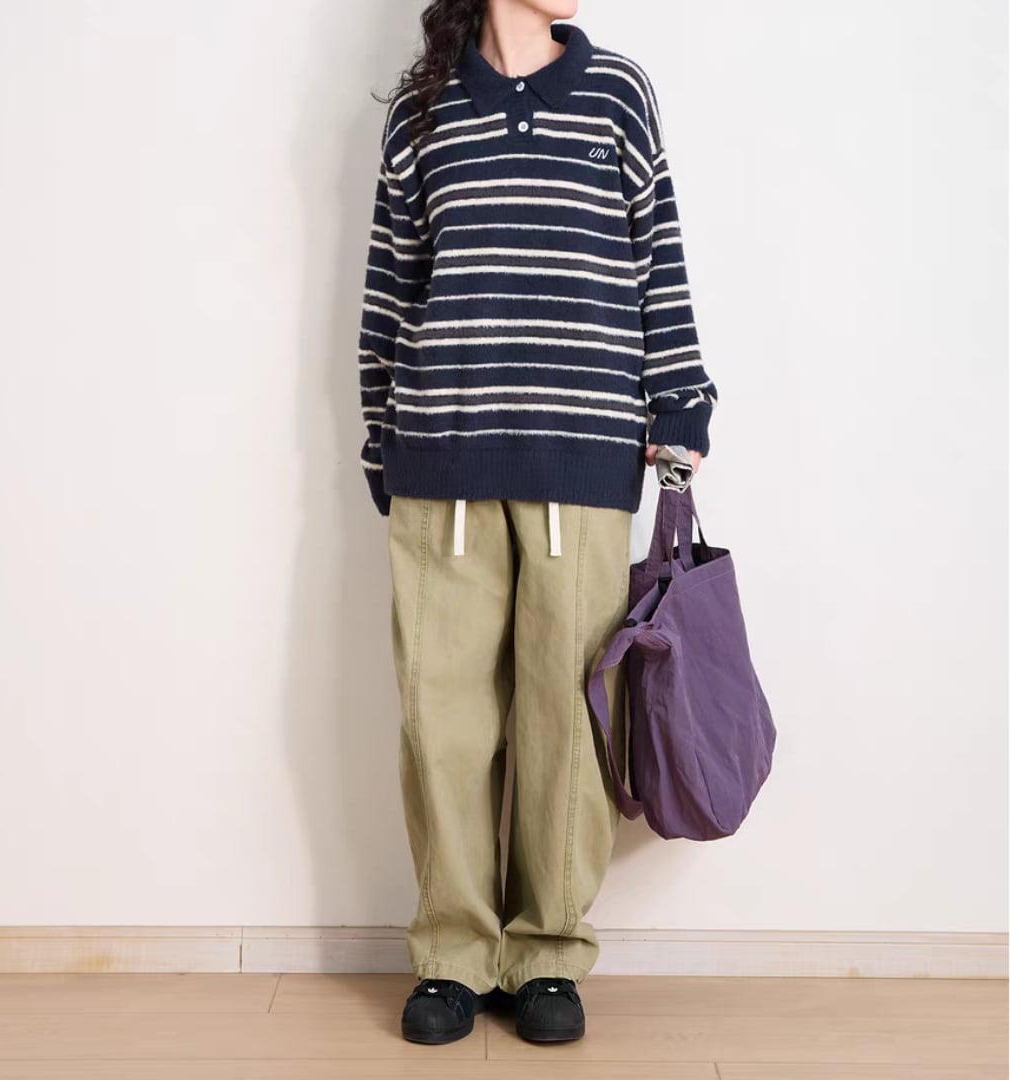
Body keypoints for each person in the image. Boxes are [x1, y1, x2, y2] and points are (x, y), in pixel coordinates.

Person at [355, 0, 716, 1046]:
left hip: (584, 457)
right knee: (443, 719)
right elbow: (388, 290)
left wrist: (681, 401)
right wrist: (381, 440)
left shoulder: (616, 94)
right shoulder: (422, 112)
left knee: (568, 715)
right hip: (443, 454)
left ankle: (549, 950)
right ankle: (453, 954)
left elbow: (657, 255)